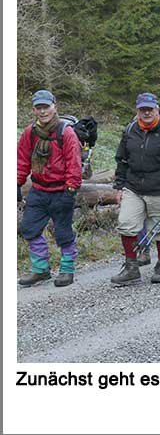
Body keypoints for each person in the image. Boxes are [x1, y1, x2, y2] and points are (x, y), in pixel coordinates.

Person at [112, 93, 160, 285]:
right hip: (133, 187)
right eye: (142, 109)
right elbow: (122, 160)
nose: (146, 112)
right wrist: (119, 186)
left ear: (157, 110)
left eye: (149, 109)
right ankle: (131, 267)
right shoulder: (129, 131)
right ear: (137, 111)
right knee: (126, 224)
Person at [17, 90, 82, 287]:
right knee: (29, 228)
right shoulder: (30, 132)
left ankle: (67, 270)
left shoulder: (66, 132)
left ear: (55, 107)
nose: (43, 111)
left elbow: (74, 163)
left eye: (46, 107)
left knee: (63, 232)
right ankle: (40, 270)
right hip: (38, 189)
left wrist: (70, 190)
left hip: (61, 190)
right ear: (34, 110)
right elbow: (21, 160)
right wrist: (16, 183)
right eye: (39, 108)